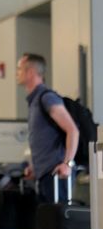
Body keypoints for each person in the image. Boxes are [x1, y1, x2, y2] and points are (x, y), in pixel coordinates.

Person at [16, 53, 79, 204]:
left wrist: (67, 163)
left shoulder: (47, 98)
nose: (16, 73)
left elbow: (72, 130)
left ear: (30, 72)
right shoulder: (34, 102)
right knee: (47, 224)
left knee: (58, 225)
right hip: (44, 175)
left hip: (57, 175)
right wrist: (34, 166)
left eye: (19, 69)